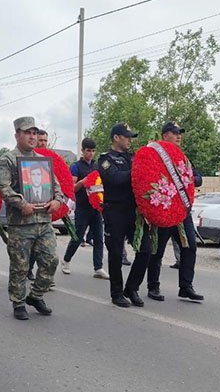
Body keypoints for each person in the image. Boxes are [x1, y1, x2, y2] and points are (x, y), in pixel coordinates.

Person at [0, 116, 63, 320]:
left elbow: (55, 186)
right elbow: (1, 186)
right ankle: (18, 302)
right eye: (27, 133)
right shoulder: (7, 159)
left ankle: (35, 295)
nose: (32, 137)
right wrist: (21, 203)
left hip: (43, 221)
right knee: (20, 266)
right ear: (17, 135)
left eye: (35, 133)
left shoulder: (41, 161)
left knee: (51, 260)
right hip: (21, 223)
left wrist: (58, 200)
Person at [146, 122, 204, 302]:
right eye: (175, 133)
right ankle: (153, 286)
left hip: (182, 211)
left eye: (180, 133)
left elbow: (198, 178)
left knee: (190, 247)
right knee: (157, 250)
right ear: (165, 136)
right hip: (164, 210)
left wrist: (187, 179)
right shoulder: (156, 156)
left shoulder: (182, 158)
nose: (179, 136)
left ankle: (186, 286)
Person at [98, 123, 151, 308]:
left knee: (146, 249)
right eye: (127, 136)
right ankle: (117, 293)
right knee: (115, 253)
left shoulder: (132, 158)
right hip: (115, 211)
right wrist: (137, 171)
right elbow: (114, 179)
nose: (130, 140)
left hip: (134, 211)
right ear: (116, 138)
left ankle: (132, 287)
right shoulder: (106, 159)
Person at [61, 138, 108, 280]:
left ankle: (98, 267)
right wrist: (82, 182)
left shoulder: (97, 165)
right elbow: (71, 188)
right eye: (88, 151)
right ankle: (66, 261)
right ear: (82, 151)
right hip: (82, 208)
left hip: (96, 207)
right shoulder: (76, 166)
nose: (91, 154)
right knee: (78, 237)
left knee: (99, 238)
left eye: (93, 151)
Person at [27, 129, 48, 280]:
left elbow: (56, 185)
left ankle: (43, 281)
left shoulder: (48, 161)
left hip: (45, 216)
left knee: (49, 256)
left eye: (44, 141)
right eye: (40, 140)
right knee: (30, 250)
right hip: (25, 219)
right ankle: (28, 269)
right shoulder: (19, 160)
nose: (41, 143)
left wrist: (57, 200)